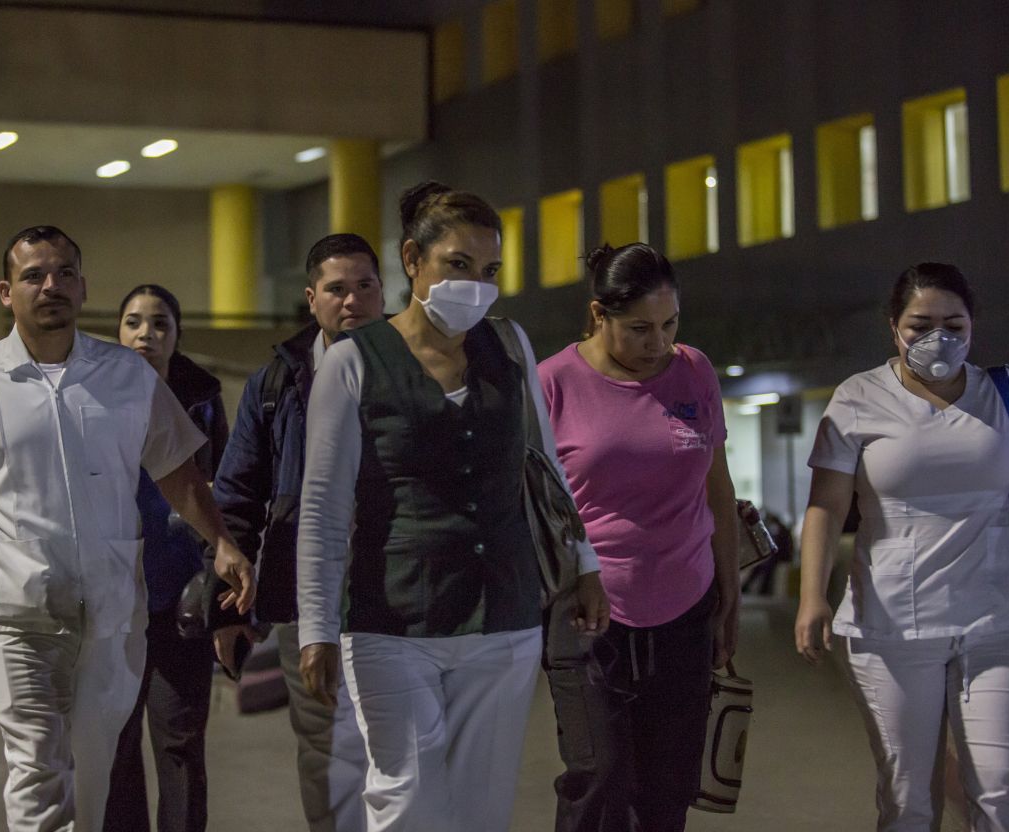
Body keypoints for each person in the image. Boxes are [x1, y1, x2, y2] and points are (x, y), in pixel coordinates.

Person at [0, 226, 255, 832]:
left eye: (64, 273)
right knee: (38, 765)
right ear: (5, 292)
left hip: (112, 610)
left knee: (94, 770)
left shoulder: (125, 376)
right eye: (34, 276)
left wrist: (221, 542)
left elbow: (179, 472)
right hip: (18, 611)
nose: (51, 286)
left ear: (83, 286)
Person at [295, 181, 608, 832]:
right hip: (392, 622)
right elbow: (323, 505)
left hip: (504, 616)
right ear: (413, 260)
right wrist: (316, 628)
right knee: (408, 802)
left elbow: (544, 461)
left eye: (490, 269)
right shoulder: (353, 362)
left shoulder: (510, 344)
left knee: (480, 810)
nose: (477, 283)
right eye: (458, 265)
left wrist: (583, 565)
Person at [794, 263, 1009, 831]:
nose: (939, 339)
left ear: (974, 326)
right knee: (909, 802)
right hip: (892, 630)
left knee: (1001, 794)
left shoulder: (1008, 394)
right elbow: (826, 506)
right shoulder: (858, 397)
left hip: (996, 621)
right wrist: (813, 598)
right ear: (893, 328)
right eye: (920, 324)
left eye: (954, 325)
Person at [537, 242, 740, 832]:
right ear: (599, 315)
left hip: (685, 607)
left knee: (667, 788)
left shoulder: (694, 370)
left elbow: (718, 491)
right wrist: (573, 575)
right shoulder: (553, 383)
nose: (659, 342)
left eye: (670, 323)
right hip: (589, 611)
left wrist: (729, 595)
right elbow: (537, 506)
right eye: (640, 329)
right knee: (598, 777)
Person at [212, 233, 384, 832]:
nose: (353, 301)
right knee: (324, 743)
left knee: (404, 741)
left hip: (400, 587)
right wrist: (227, 604)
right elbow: (236, 493)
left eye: (366, 286)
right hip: (306, 589)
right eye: (337, 289)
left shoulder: (414, 371)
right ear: (312, 299)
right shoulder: (277, 382)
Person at [104, 284, 229, 832]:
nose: (145, 335)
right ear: (118, 333)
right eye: (133, 323)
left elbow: (221, 496)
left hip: (179, 599)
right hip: (111, 601)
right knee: (116, 744)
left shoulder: (201, 398)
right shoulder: (94, 394)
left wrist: (219, 584)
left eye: (159, 325)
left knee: (179, 742)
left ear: (177, 338)